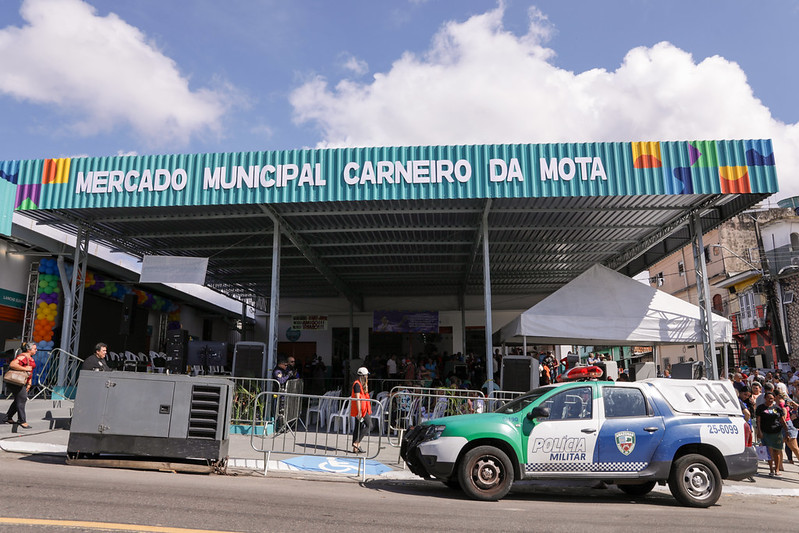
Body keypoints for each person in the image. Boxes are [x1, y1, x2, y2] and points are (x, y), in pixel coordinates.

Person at [4, 342, 36, 429]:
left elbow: (30, 372)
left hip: (22, 381)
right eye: (34, 349)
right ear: (29, 349)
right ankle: (22, 420)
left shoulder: (30, 358)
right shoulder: (23, 356)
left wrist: (29, 383)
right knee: (22, 398)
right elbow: (12, 364)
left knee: (19, 399)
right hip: (15, 381)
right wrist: (24, 368)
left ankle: (8, 417)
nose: (36, 350)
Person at [756, 391, 788, 477]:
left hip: (777, 432)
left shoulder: (777, 408)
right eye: (768, 398)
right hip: (765, 432)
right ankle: (771, 469)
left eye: (771, 398)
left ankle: (776, 469)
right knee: (768, 451)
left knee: (777, 451)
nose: (770, 400)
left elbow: (782, 420)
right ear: (765, 398)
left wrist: (787, 431)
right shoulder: (760, 408)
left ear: (774, 398)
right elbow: (758, 421)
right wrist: (759, 431)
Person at [350, 366, 372, 453]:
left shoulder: (362, 384)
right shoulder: (357, 384)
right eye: (366, 375)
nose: (367, 377)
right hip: (360, 410)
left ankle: (355, 447)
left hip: (363, 409)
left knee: (358, 426)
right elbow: (357, 399)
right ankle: (356, 442)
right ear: (363, 376)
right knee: (369, 425)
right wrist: (359, 411)